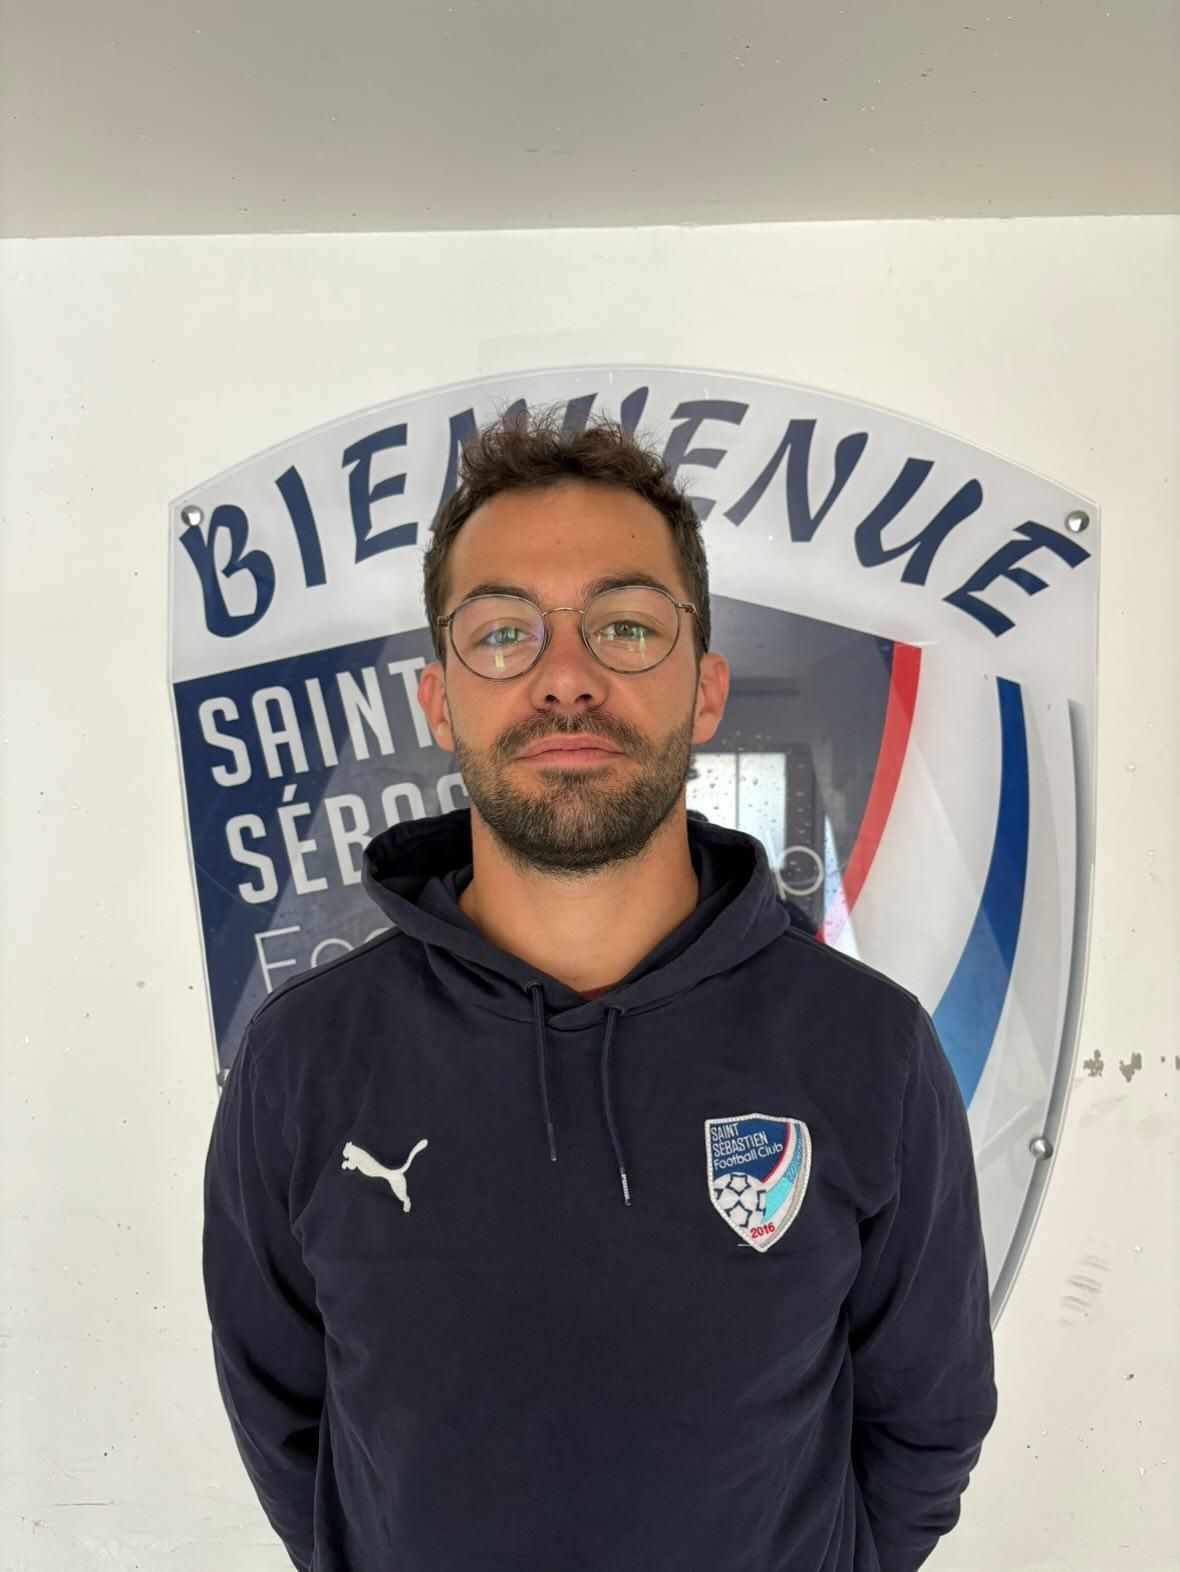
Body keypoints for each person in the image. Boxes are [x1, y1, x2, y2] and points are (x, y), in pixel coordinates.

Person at [202, 403, 997, 1572]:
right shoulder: (303, 1060)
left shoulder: (867, 1047)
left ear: (705, 689)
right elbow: (291, 1431)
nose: (565, 679)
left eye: (624, 626)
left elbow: (924, 1427)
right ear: (439, 700)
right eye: (502, 633)